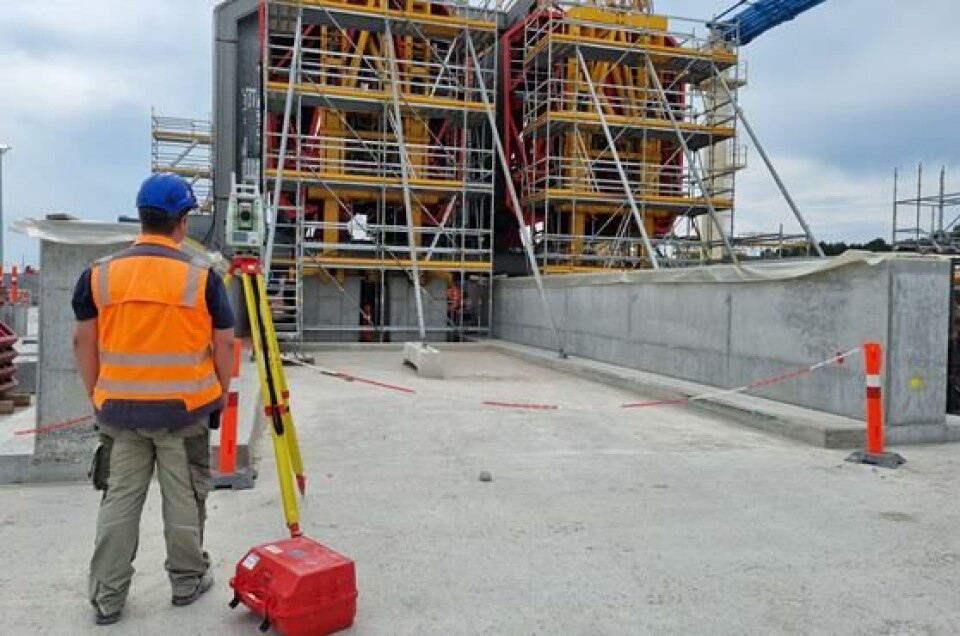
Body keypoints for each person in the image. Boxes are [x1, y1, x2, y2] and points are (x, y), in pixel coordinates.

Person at [72, 173, 236, 625]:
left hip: (119, 413)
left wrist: (98, 395)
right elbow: (224, 345)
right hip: (185, 414)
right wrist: (217, 395)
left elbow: (82, 342)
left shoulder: (99, 275)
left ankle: (107, 596)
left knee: (120, 501)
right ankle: (186, 582)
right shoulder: (202, 278)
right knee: (184, 498)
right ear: (183, 222)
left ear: (142, 217)